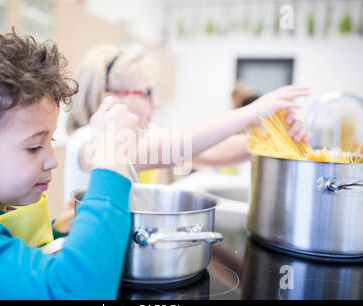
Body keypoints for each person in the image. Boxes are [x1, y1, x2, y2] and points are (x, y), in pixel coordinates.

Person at [0, 20, 139, 299]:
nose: (51, 161)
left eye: (50, 141)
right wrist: (111, 157)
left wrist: (55, 234)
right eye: (33, 147)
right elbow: (77, 292)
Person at [63, 44, 310, 201]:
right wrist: (250, 113)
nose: (156, 103)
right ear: (113, 98)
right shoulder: (85, 141)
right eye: (148, 93)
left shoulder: (146, 134)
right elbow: (175, 147)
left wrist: (273, 141)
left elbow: (210, 151)